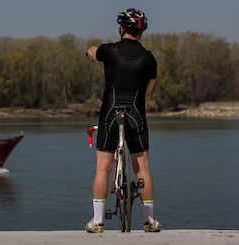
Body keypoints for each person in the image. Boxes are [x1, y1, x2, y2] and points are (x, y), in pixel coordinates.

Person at [85, 8, 162, 233]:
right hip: (136, 114)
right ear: (141, 32)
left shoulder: (108, 51)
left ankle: (97, 222)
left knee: (102, 169)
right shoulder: (150, 59)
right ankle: (150, 221)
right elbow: (147, 95)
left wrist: (88, 52)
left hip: (110, 113)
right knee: (143, 170)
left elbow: (92, 51)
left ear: (121, 28)